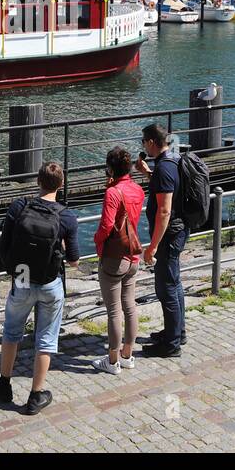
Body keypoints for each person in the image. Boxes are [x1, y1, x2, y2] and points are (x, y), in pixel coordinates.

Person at [0, 161, 79, 415]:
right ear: (62, 184)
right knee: (45, 338)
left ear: (38, 181)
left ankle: (4, 384)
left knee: (12, 332)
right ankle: (36, 395)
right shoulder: (66, 216)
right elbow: (74, 260)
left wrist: (12, 268)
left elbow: (4, 245)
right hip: (50, 282)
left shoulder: (19, 206)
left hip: (22, 279)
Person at [92, 146, 145, 375]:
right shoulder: (137, 189)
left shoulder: (113, 193)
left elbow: (106, 225)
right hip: (133, 256)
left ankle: (112, 361)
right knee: (130, 307)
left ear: (110, 168)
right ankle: (127, 355)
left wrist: (97, 242)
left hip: (114, 258)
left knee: (114, 311)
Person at [137, 123, 186, 357]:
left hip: (169, 235)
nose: (142, 146)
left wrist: (152, 247)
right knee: (174, 283)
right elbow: (165, 188)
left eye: (143, 142)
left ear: (150, 142)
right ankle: (176, 331)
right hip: (178, 230)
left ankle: (171, 344)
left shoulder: (165, 168)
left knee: (166, 287)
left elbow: (164, 211)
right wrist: (147, 173)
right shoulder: (172, 160)